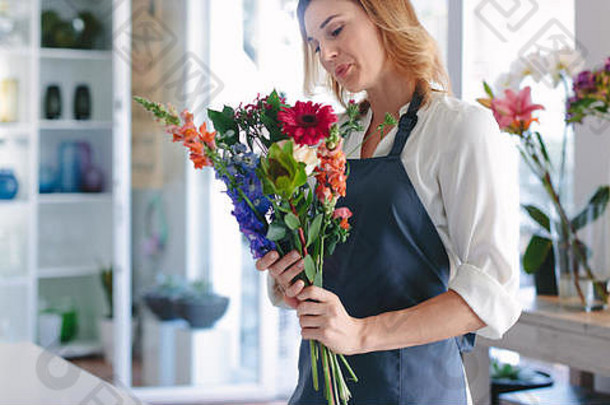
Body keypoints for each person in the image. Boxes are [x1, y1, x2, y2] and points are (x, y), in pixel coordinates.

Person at [255, 0, 523, 403]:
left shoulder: (459, 129)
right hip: (319, 387)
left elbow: (492, 294)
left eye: (335, 30)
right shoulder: (336, 139)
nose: (325, 55)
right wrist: (292, 277)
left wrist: (361, 334)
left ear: (384, 15)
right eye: (314, 44)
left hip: (414, 389)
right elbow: (336, 265)